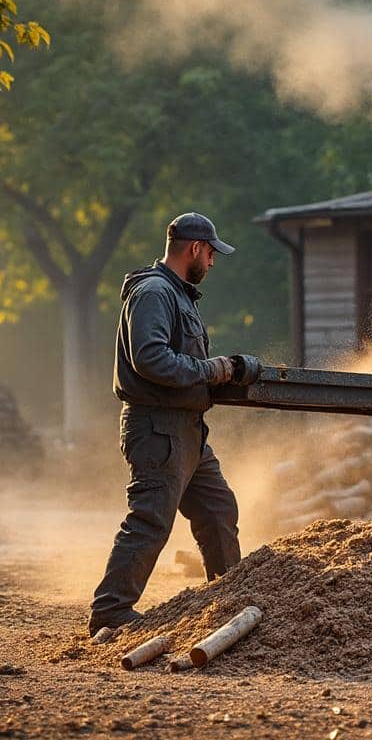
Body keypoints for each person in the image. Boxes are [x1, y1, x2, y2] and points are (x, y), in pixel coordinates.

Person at [88, 212, 254, 634]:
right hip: (158, 428)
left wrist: (223, 372)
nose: (213, 263)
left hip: (186, 429)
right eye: (212, 253)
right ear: (195, 248)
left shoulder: (177, 296)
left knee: (218, 509)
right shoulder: (155, 293)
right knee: (150, 519)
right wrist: (211, 369)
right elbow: (151, 358)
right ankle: (110, 612)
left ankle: (225, 601)